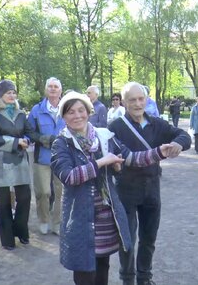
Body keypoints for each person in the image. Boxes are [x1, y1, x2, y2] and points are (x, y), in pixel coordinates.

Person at [50, 91, 173, 285]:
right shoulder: (61, 144)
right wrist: (101, 162)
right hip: (81, 218)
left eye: (81, 110)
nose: (77, 116)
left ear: (89, 111)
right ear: (63, 116)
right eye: (70, 112)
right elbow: (68, 176)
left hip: (105, 217)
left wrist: (159, 152)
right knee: (85, 274)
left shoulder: (103, 137)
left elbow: (131, 157)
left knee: (102, 270)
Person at [108, 82, 191, 285]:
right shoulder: (115, 127)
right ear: (124, 102)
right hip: (126, 189)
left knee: (149, 238)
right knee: (127, 240)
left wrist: (179, 143)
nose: (137, 103)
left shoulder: (156, 123)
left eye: (141, 98)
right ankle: (127, 278)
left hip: (152, 188)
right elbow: (120, 157)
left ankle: (144, 277)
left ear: (146, 99)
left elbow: (184, 135)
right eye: (132, 100)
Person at [0, 79, 41, 250]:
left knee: (24, 198)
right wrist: (16, 142)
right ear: (0, 95)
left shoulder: (21, 113)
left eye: (14, 92)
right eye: (9, 92)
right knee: (4, 203)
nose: (12, 95)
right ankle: (7, 239)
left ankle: (21, 231)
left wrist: (33, 139)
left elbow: (30, 133)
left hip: (19, 162)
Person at [27, 77, 66, 235]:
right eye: (50, 86)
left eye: (56, 86)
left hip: (63, 158)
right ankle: (43, 219)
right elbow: (29, 131)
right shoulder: (37, 110)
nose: (53, 89)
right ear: (45, 90)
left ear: (60, 90)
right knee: (43, 191)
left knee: (60, 192)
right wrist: (43, 139)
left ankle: (57, 223)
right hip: (42, 157)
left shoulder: (67, 108)